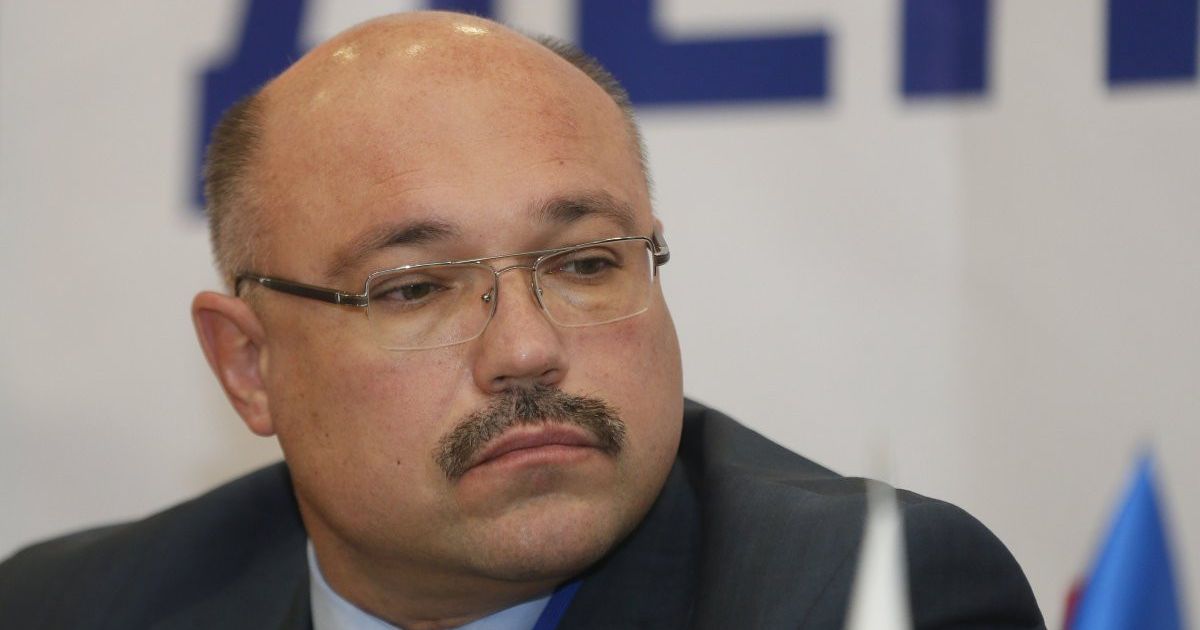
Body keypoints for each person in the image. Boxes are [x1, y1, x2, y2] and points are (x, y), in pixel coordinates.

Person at [0, 11, 1043, 630]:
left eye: (585, 264)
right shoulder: (70, 609)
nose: (529, 350)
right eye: (414, 288)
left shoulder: (862, 599)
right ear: (248, 365)